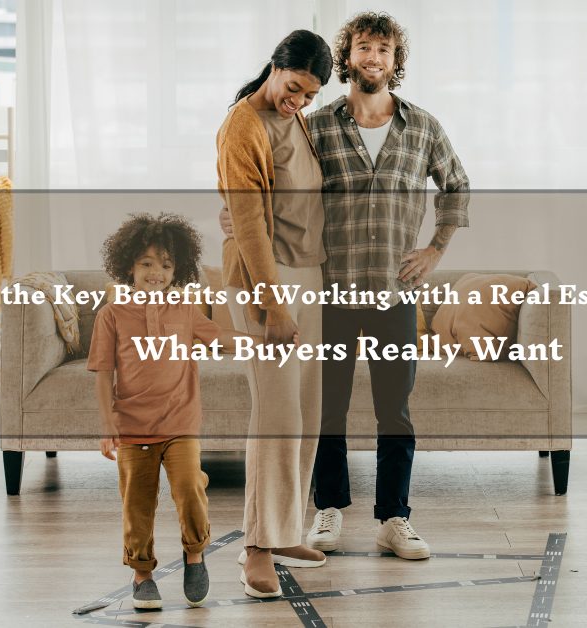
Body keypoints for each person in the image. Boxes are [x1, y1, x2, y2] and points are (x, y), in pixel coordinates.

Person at [304, 11, 469, 560]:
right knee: (326, 407)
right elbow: (284, 189)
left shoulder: (421, 127)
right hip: (332, 294)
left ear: (395, 62)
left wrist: (436, 248)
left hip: (395, 295)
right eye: (363, 47)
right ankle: (327, 510)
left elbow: (457, 186)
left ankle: (394, 519)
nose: (373, 58)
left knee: (393, 411)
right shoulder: (319, 125)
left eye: (383, 49)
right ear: (345, 56)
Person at [88, 213, 259, 610]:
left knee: (189, 489)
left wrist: (266, 341)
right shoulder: (111, 316)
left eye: (166, 265)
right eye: (146, 264)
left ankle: (195, 554)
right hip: (132, 427)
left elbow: (221, 338)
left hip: (180, 422)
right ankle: (142, 573)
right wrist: (106, 421)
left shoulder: (184, 310)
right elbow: (102, 373)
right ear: (128, 265)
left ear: (177, 268)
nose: (156, 273)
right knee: (137, 503)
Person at [216, 29, 334, 599]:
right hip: (270, 286)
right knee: (276, 416)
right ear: (274, 67)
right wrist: (273, 305)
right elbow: (248, 225)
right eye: (293, 88)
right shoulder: (244, 125)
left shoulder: (296, 119)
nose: (298, 101)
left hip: (306, 276)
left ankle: (285, 530)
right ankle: (256, 548)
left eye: (308, 95)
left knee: (304, 414)